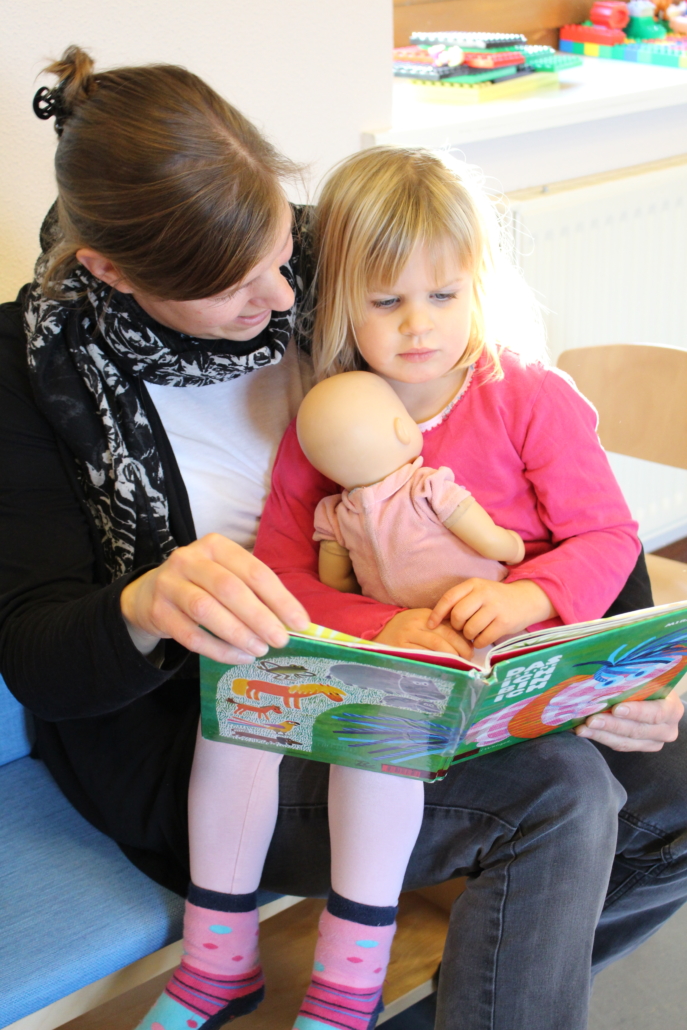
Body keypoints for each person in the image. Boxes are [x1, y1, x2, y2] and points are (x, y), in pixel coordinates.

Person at [0, 43, 682, 1030]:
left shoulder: (351, 261)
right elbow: (40, 657)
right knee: (561, 797)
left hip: (443, 645)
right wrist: (145, 603)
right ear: (107, 269)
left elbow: (545, 478)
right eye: (234, 286)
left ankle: (475, 997)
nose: (281, 300)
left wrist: (615, 670)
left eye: (281, 255)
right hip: (210, 733)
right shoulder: (34, 373)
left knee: (671, 788)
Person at [252, 147, 687, 1030]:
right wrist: (392, 622)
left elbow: (604, 535)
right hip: (408, 694)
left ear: (477, 286)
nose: (419, 325)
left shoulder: (526, 396)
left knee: (639, 796)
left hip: (521, 666)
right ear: (340, 300)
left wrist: (531, 596)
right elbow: (289, 576)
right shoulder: (326, 423)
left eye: (443, 296)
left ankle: (492, 974)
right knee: (561, 802)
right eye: (386, 302)